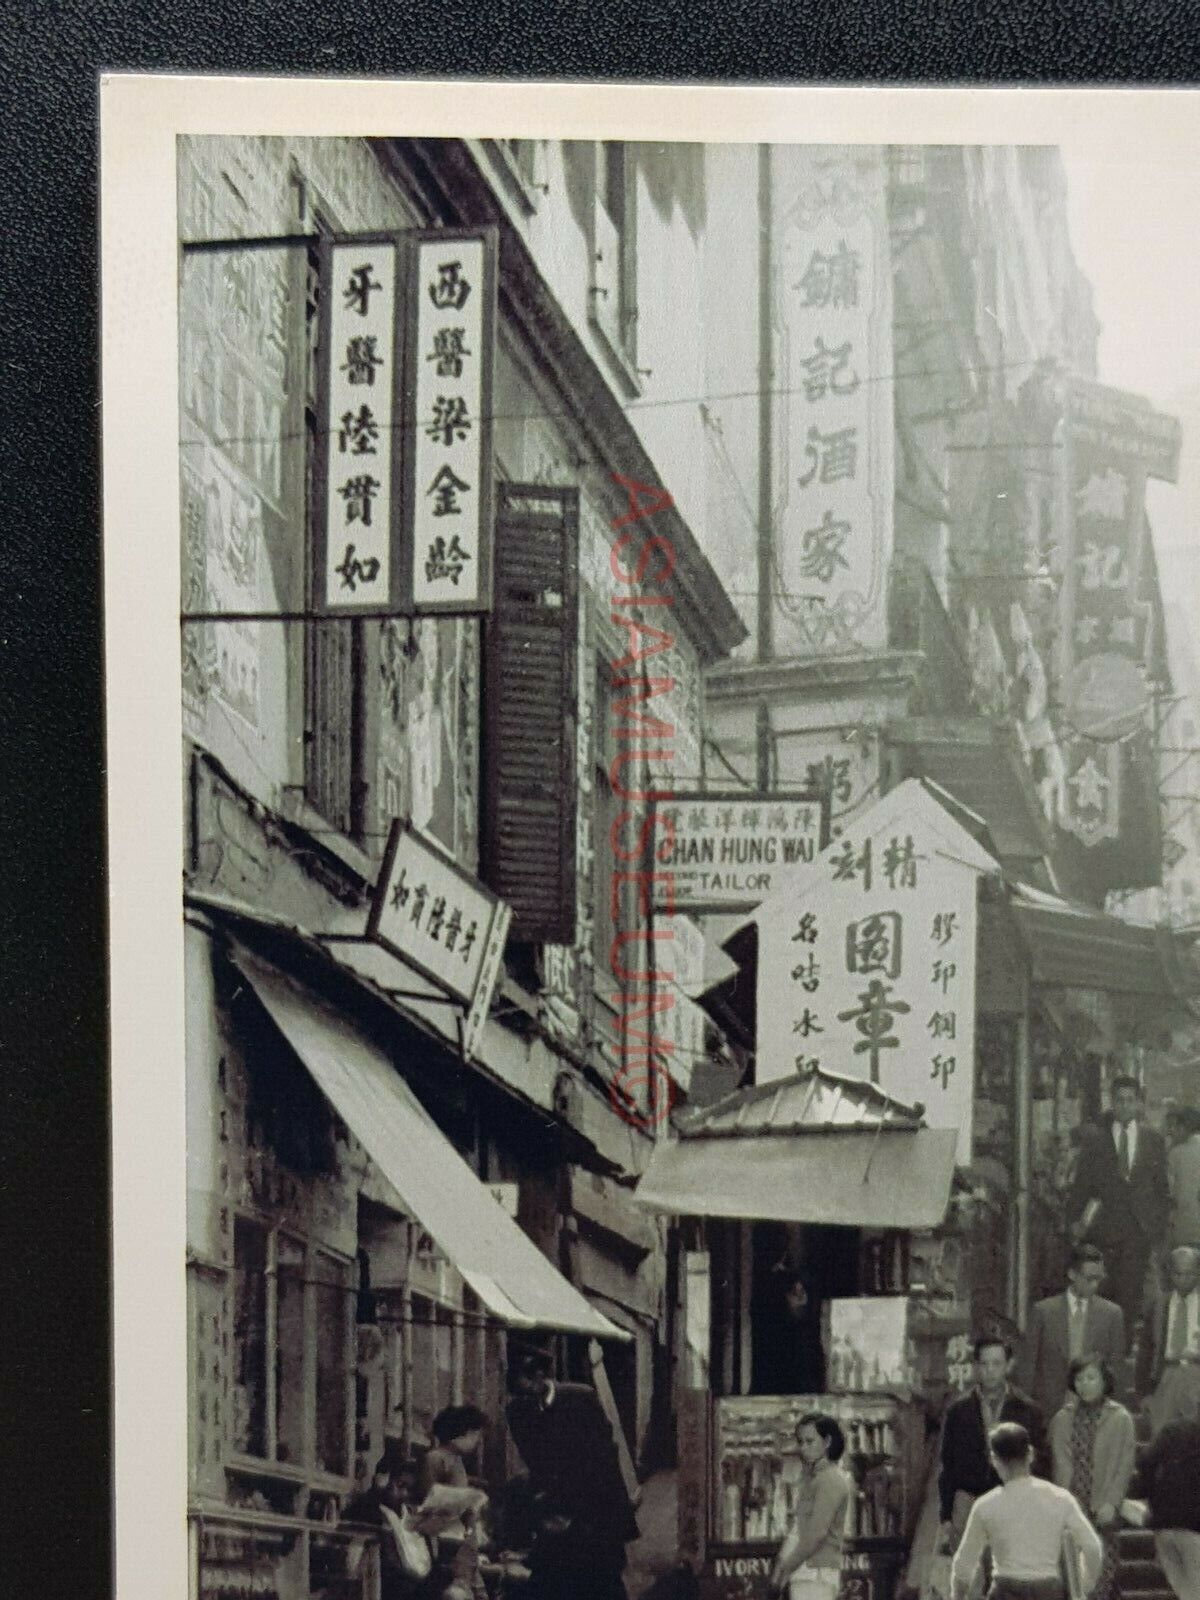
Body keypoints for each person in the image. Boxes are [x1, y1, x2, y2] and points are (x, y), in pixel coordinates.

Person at [505, 1349, 640, 1600]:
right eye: (518, 1394)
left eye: (525, 1389)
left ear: (540, 1377)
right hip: (553, 1506)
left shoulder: (581, 1398)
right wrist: (548, 1503)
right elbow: (535, 1460)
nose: (523, 1398)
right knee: (554, 1578)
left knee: (602, 1577)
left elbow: (602, 1458)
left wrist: (576, 1509)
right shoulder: (517, 1411)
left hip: (594, 1506)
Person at [950, 1422, 1103, 1600]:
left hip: (1005, 1590)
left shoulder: (986, 1505)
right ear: (1030, 1454)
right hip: (1048, 1589)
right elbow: (1092, 1546)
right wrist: (1085, 1585)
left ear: (994, 1460)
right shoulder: (1060, 1498)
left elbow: (963, 1565)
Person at [1068, 1075, 1171, 1330]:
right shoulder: (1095, 1141)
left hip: (1138, 1233)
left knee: (1130, 1297)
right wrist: (1074, 1221)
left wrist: (1155, 1226)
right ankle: (1098, 1355)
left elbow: (1161, 1189)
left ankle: (1121, 1354)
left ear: (1138, 1104)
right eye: (1119, 1100)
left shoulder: (1154, 1141)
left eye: (1130, 1100)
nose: (1124, 1106)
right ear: (1111, 1103)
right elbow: (1082, 1186)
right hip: (1103, 1231)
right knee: (1100, 1294)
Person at [939, 1336, 1048, 1556]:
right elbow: (947, 1464)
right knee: (967, 1573)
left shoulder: (1028, 1410)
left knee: (1009, 1568)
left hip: (1013, 1497)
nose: (990, 1370)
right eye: (984, 1364)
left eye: (997, 1364)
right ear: (976, 1367)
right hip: (968, 1499)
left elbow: (1041, 1461)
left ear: (1008, 1365)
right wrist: (946, 1516)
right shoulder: (958, 1411)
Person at [1047, 1355, 1136, 1600]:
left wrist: (1112, 1502)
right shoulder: (1063, 1418)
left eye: (1091, 1378)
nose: (1084, 1384)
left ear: (1104, 1380)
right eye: (1079, 1379)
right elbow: (1058, 1463)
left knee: (1102, 1576)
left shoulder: (1120, 1418)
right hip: (1071, 1504)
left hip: (1103, 1507)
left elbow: (1124, 1465)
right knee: (1071, 1575)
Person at [1018, 1245, 1126, 1423]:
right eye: (1089, 1279)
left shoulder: (1112, 1314)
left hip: (1095, 1412)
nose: (1095, 1285)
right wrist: (1026, 1410)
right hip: (1049, 1410)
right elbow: (1028, 1367)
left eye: (1099, 1279)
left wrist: (1112, 1414)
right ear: (1072, 1274)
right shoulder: (1043, 1312)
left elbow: (1116, 1368)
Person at [767, 1413, 852, 1600]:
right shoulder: (815, 1479)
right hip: (808, 1572)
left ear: (827, 1441)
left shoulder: (830, 1480)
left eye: (810, 1441)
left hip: (816, 1572)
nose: (803, 1448)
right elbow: (800, 1529)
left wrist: (787, 1566)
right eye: (801, 1442)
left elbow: (815, 1533)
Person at [419, 1405, 490, 1600]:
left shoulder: (456, 1461)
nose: (476, 1443)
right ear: (464, 1433)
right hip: (449, 1546)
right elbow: (429, 1501)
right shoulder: (435, 1459)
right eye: (476, 1436)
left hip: (465, 1545)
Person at [1137, 1244, 1200, 1437]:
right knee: (1161, 1437)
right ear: (1170, 1274)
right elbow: (1145, 1351)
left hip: (1197, 1374)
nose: (1183, 1280)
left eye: (1190, 1274)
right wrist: (1144, 1393)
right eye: (1178, 1274)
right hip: (1165, 1376)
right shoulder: (1159, 1305)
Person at [1138, 1414, 1200, 1598]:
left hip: (1164, 1523)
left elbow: (1145, 1461)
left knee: (1185, 1592)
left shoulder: (1172, 1430)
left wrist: (1151, 1499)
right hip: (1194, 1529)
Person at [1168, 1105, 1200, 1251]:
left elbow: (1169, 1193)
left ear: (1183, 1128)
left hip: (1185, 1231)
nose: (1171, 1131)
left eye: (1175, 1127)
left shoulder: (1175, 1154)